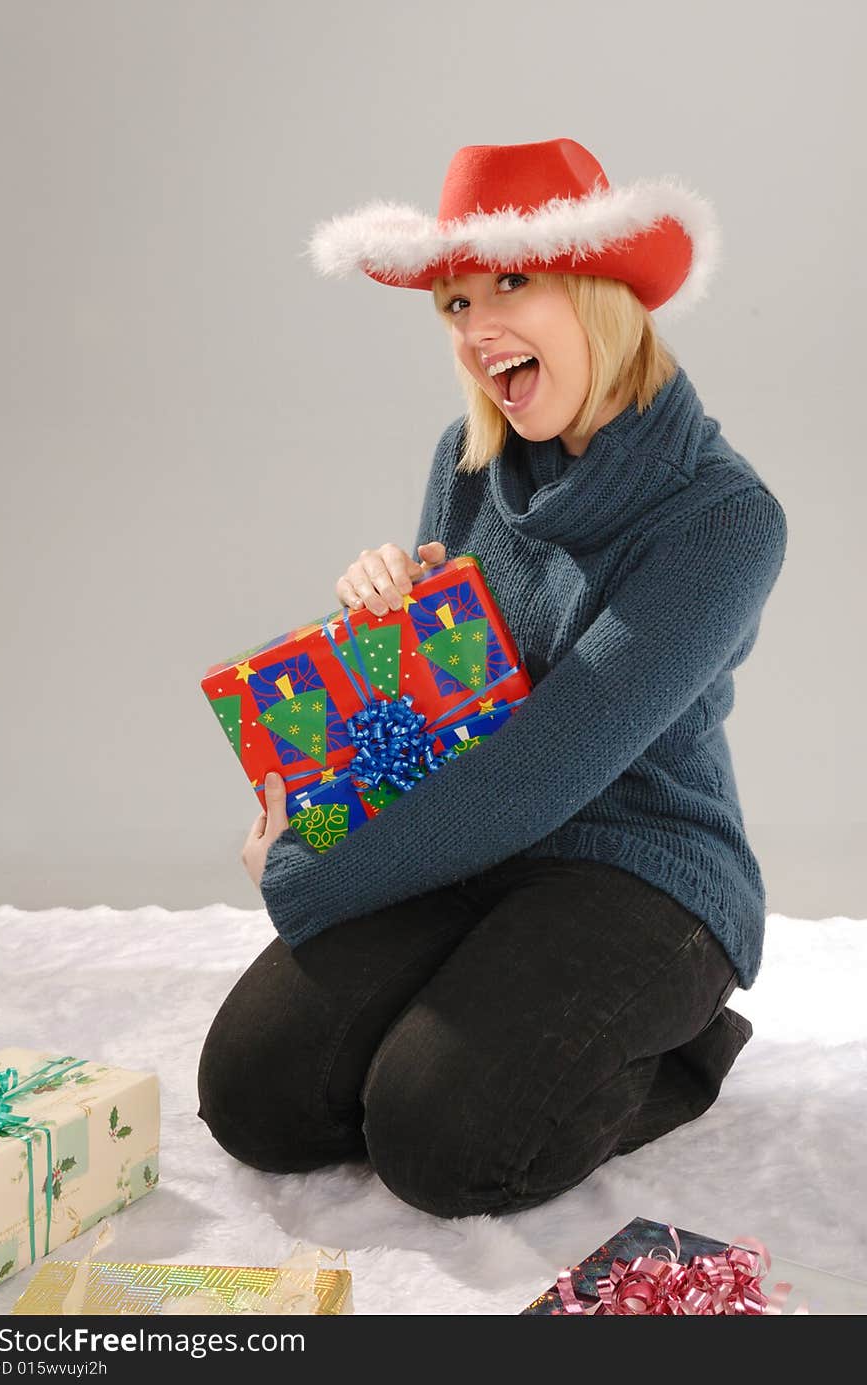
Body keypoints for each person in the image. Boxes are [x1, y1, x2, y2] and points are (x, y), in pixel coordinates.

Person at [197, 138, 787, 1219]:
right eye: (455, 303)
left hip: (640, 866)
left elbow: (546, 762)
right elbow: (437, 717)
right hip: (475, 838)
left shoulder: (722, 520)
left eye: (510, 283)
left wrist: (307, 875)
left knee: (442, 1144)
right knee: (253, 1097)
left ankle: (685, 1043)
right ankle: (482, 1006)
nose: (474, 330)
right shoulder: (465, 462)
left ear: (597, 287)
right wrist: (380, 617)